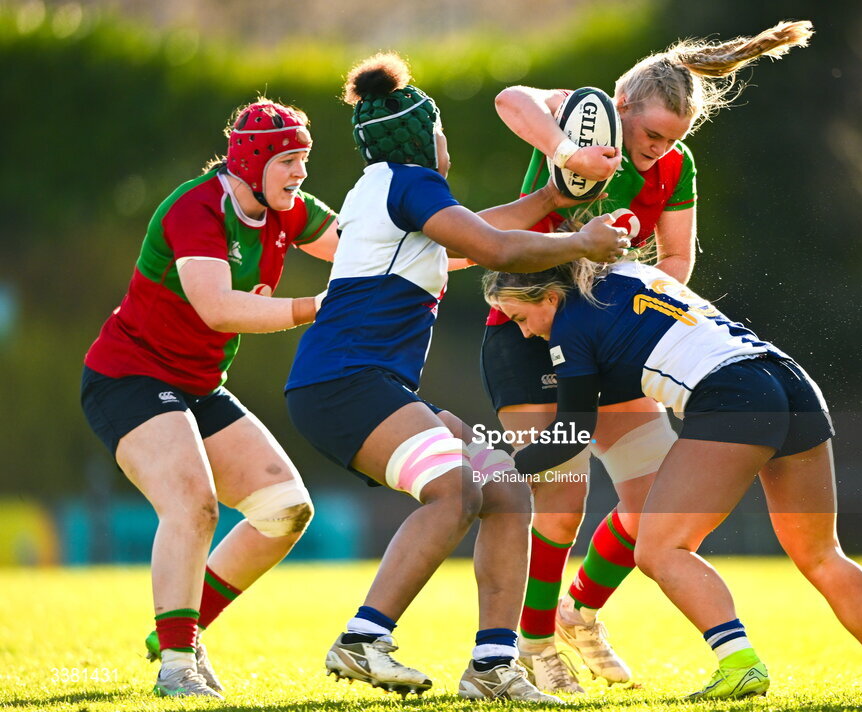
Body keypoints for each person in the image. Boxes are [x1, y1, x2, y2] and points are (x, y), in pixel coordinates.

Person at [283, 53, 629, 703]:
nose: (447, 142)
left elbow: (474, 235)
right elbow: (496, 251)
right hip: (346, 382)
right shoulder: (412, 183)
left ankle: (494, 667)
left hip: (358, 384)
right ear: (425, 138)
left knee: (504, 493)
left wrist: (553, 199)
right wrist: (580, 243)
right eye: (441, 131)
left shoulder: (385, 187)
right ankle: (363, 641)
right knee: (455, 489)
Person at [481, 20, 814, 691]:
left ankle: (580, 611)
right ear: (621, 107)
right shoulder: (584, 116)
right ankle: (535, 647)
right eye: (653, 135)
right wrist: (566, 152)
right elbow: (508, 98)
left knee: (656, 502)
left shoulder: (675, 164)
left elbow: (679, 255)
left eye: (674, 141)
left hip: (610, 341)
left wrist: (642, 316)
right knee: (561, 504)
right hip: (529, 332)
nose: (661, 151)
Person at [483, 259, 862, 700]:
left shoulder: (569, 328)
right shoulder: (626, 272)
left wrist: (498, 467)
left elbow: (572, 433)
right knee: (821, 552)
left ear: (552, 297)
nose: (524, 332)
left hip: (734, 393)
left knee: (658, 549)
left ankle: (740, 664)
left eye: (521, 318)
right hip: (789, 378)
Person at [80, 99, 340, 699]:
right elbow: (218, 307)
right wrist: (313, 309)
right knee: (194, 504)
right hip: (130, 377)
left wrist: (480, 242)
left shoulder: (287, 208)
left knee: (284, 510)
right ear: (252, 160)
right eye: (290, 159)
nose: (301, 173)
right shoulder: (198, 207)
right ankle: (176, 665)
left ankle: (182, 633)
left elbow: (368, 245)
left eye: (305, 158)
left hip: (196, 384)